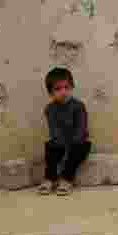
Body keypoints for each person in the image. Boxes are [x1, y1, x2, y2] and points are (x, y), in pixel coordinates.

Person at [39, 67, 92, 196]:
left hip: (78, 142)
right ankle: (50, 178)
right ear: (50, 93)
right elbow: (54, 129)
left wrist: (71, 145)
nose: (63, 92)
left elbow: (81, 128)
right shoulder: (50, 109)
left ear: (72, 87)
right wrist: (60, 144)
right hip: (60, 142)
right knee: (50, 147)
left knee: (77, 150)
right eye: (58, 89)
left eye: (66, 87)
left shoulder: (78, 106)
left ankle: (66, 179)